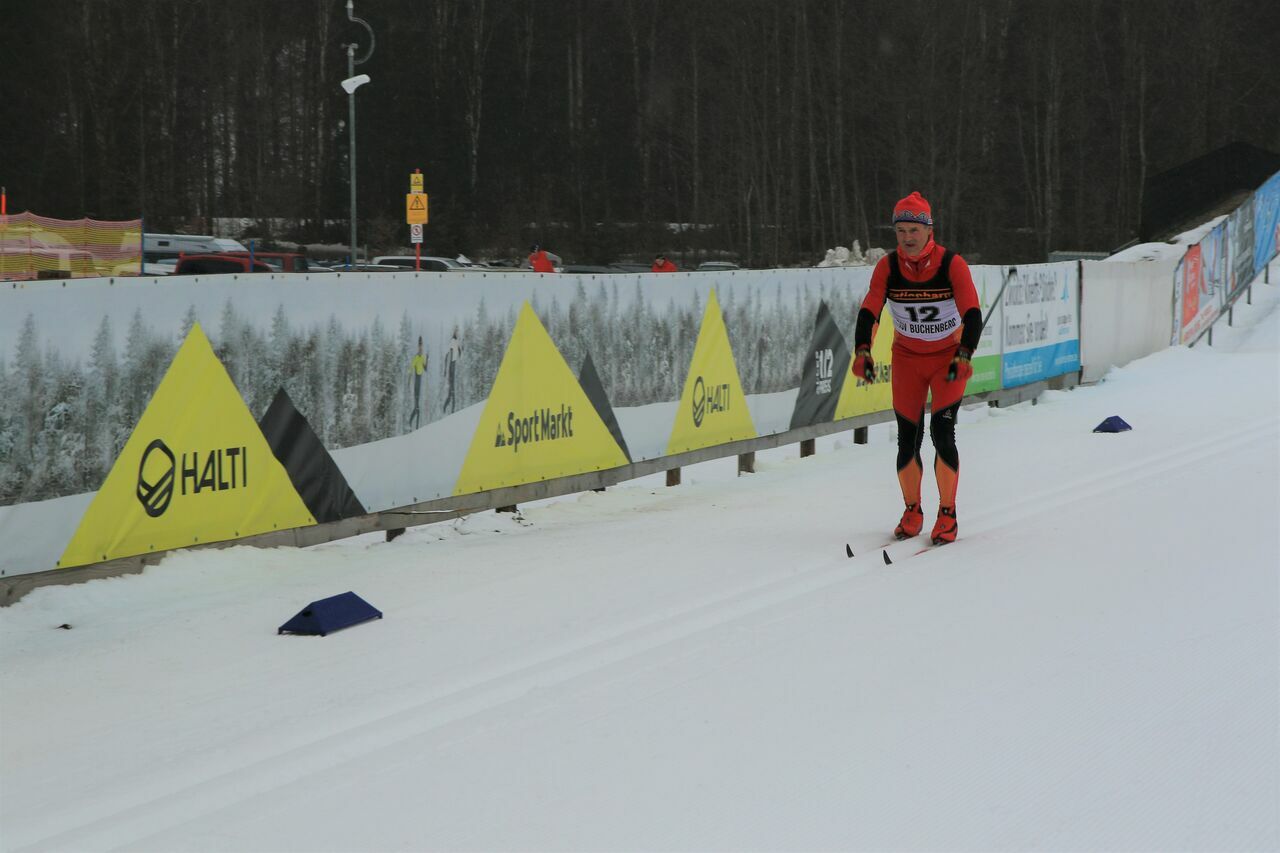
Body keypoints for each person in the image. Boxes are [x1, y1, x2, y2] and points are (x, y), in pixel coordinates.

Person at [851, 191, 981, 545]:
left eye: (914, 230)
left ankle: (947, 513)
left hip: (947, 360)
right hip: (907, 360)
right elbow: (870, 310)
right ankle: (912, 510)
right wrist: (863, 350)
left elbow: (972, 313)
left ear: (929, 230)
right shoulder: (888, 267)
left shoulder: (951, 264)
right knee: (908, 437)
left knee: (942, 432)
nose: (907, 238)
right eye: (900, 231)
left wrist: (965, 354)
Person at [441, 326, 463, 414]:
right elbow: (447, 356)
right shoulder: (452, 341)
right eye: (456, 331)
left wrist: (461, 349)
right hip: (450, 368)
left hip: (453, 366)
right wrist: (445, 371)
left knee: (451, 394)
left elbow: (460, 353)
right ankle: (452, 413)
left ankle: (444, 408)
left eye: (458, 331)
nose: (457, 333)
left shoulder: (457, 342)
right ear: (454, 332)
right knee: (452, 393)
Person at [409, 336, 427, 429]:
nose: (421, 349)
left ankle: (412, 424)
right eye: (420, 347)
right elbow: (410, 368)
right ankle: (413, 426)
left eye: (422, 347)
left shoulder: (422, 357)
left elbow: (425, 369)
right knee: (417, 408)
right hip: (416, 384)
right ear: (418, 348)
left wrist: (427, 358)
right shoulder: (416, 357)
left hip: (419, 384)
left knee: (417, 408)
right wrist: (408, 381)